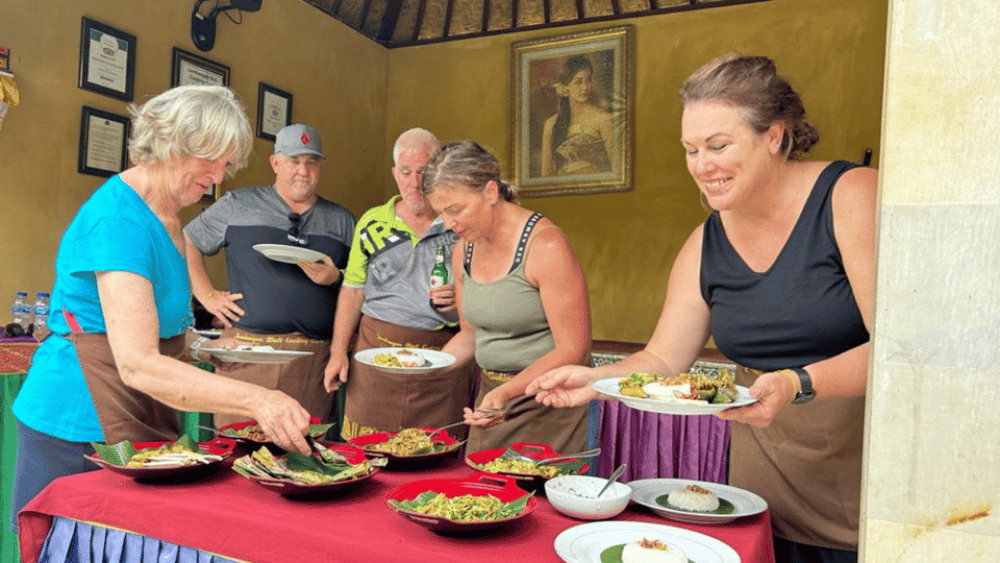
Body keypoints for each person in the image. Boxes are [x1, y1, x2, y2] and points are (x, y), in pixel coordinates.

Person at [527, 53, 877, 563]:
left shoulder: (850, 195)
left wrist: (794, 383)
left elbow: (900, 351)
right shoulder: (705, 241)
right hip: (761, 492)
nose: (701, 165)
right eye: (690, 149)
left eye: (718, 145)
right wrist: (595, 383)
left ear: (775, 136)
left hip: (863, 482)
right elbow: (664, 360)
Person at [10, 86, 314, 532]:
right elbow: (138, 365)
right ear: (172, 144)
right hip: (76, 424)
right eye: (210, 160)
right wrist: (259, 399)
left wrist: (204, 346)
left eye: (226, 164)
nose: (218, 176)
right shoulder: (118, 220)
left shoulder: (169, 214)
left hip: (135, 417)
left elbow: (159, 324)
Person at [421, 140, 593, 454]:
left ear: (489, 192)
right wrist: (426, 368)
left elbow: (573, 348)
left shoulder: (546, 246)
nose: (448, 223)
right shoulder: (463, 250)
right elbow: (470, 333)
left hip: (549, 401)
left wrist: (507, 393)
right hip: (491, 400)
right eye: (441, 213)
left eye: (455, 210)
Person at [184, 123, 356, 427]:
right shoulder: (237, 205)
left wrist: (336, 276)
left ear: (321, 167)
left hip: (311, 362)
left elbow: (360, 283)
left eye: (311, 161)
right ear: (275, 163)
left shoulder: (343, 221)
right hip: (245, 354)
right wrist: (206, 295)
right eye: (293, 161)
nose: (302, 170)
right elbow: (188, 241)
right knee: (238, 451)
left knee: (304, 454)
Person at [324, 128, 476, 439]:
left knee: (433, 455)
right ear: (395, 174)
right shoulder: (371, 222)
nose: (415, 182)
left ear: (439, 172)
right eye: (406, 172)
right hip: (376, 355)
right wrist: (338, 352)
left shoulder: (460, 223)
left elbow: (488, 287)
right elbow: (353, 291)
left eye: (423, 172)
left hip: (444, 356)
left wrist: (463, 296)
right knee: (368, 451)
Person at [541, 54, 614, 177]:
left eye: (588, 80)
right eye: (578, 82)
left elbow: (617, 167)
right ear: (565, 86)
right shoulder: (550, 124)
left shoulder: (603, 118)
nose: (585, 87)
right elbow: (546, 174)